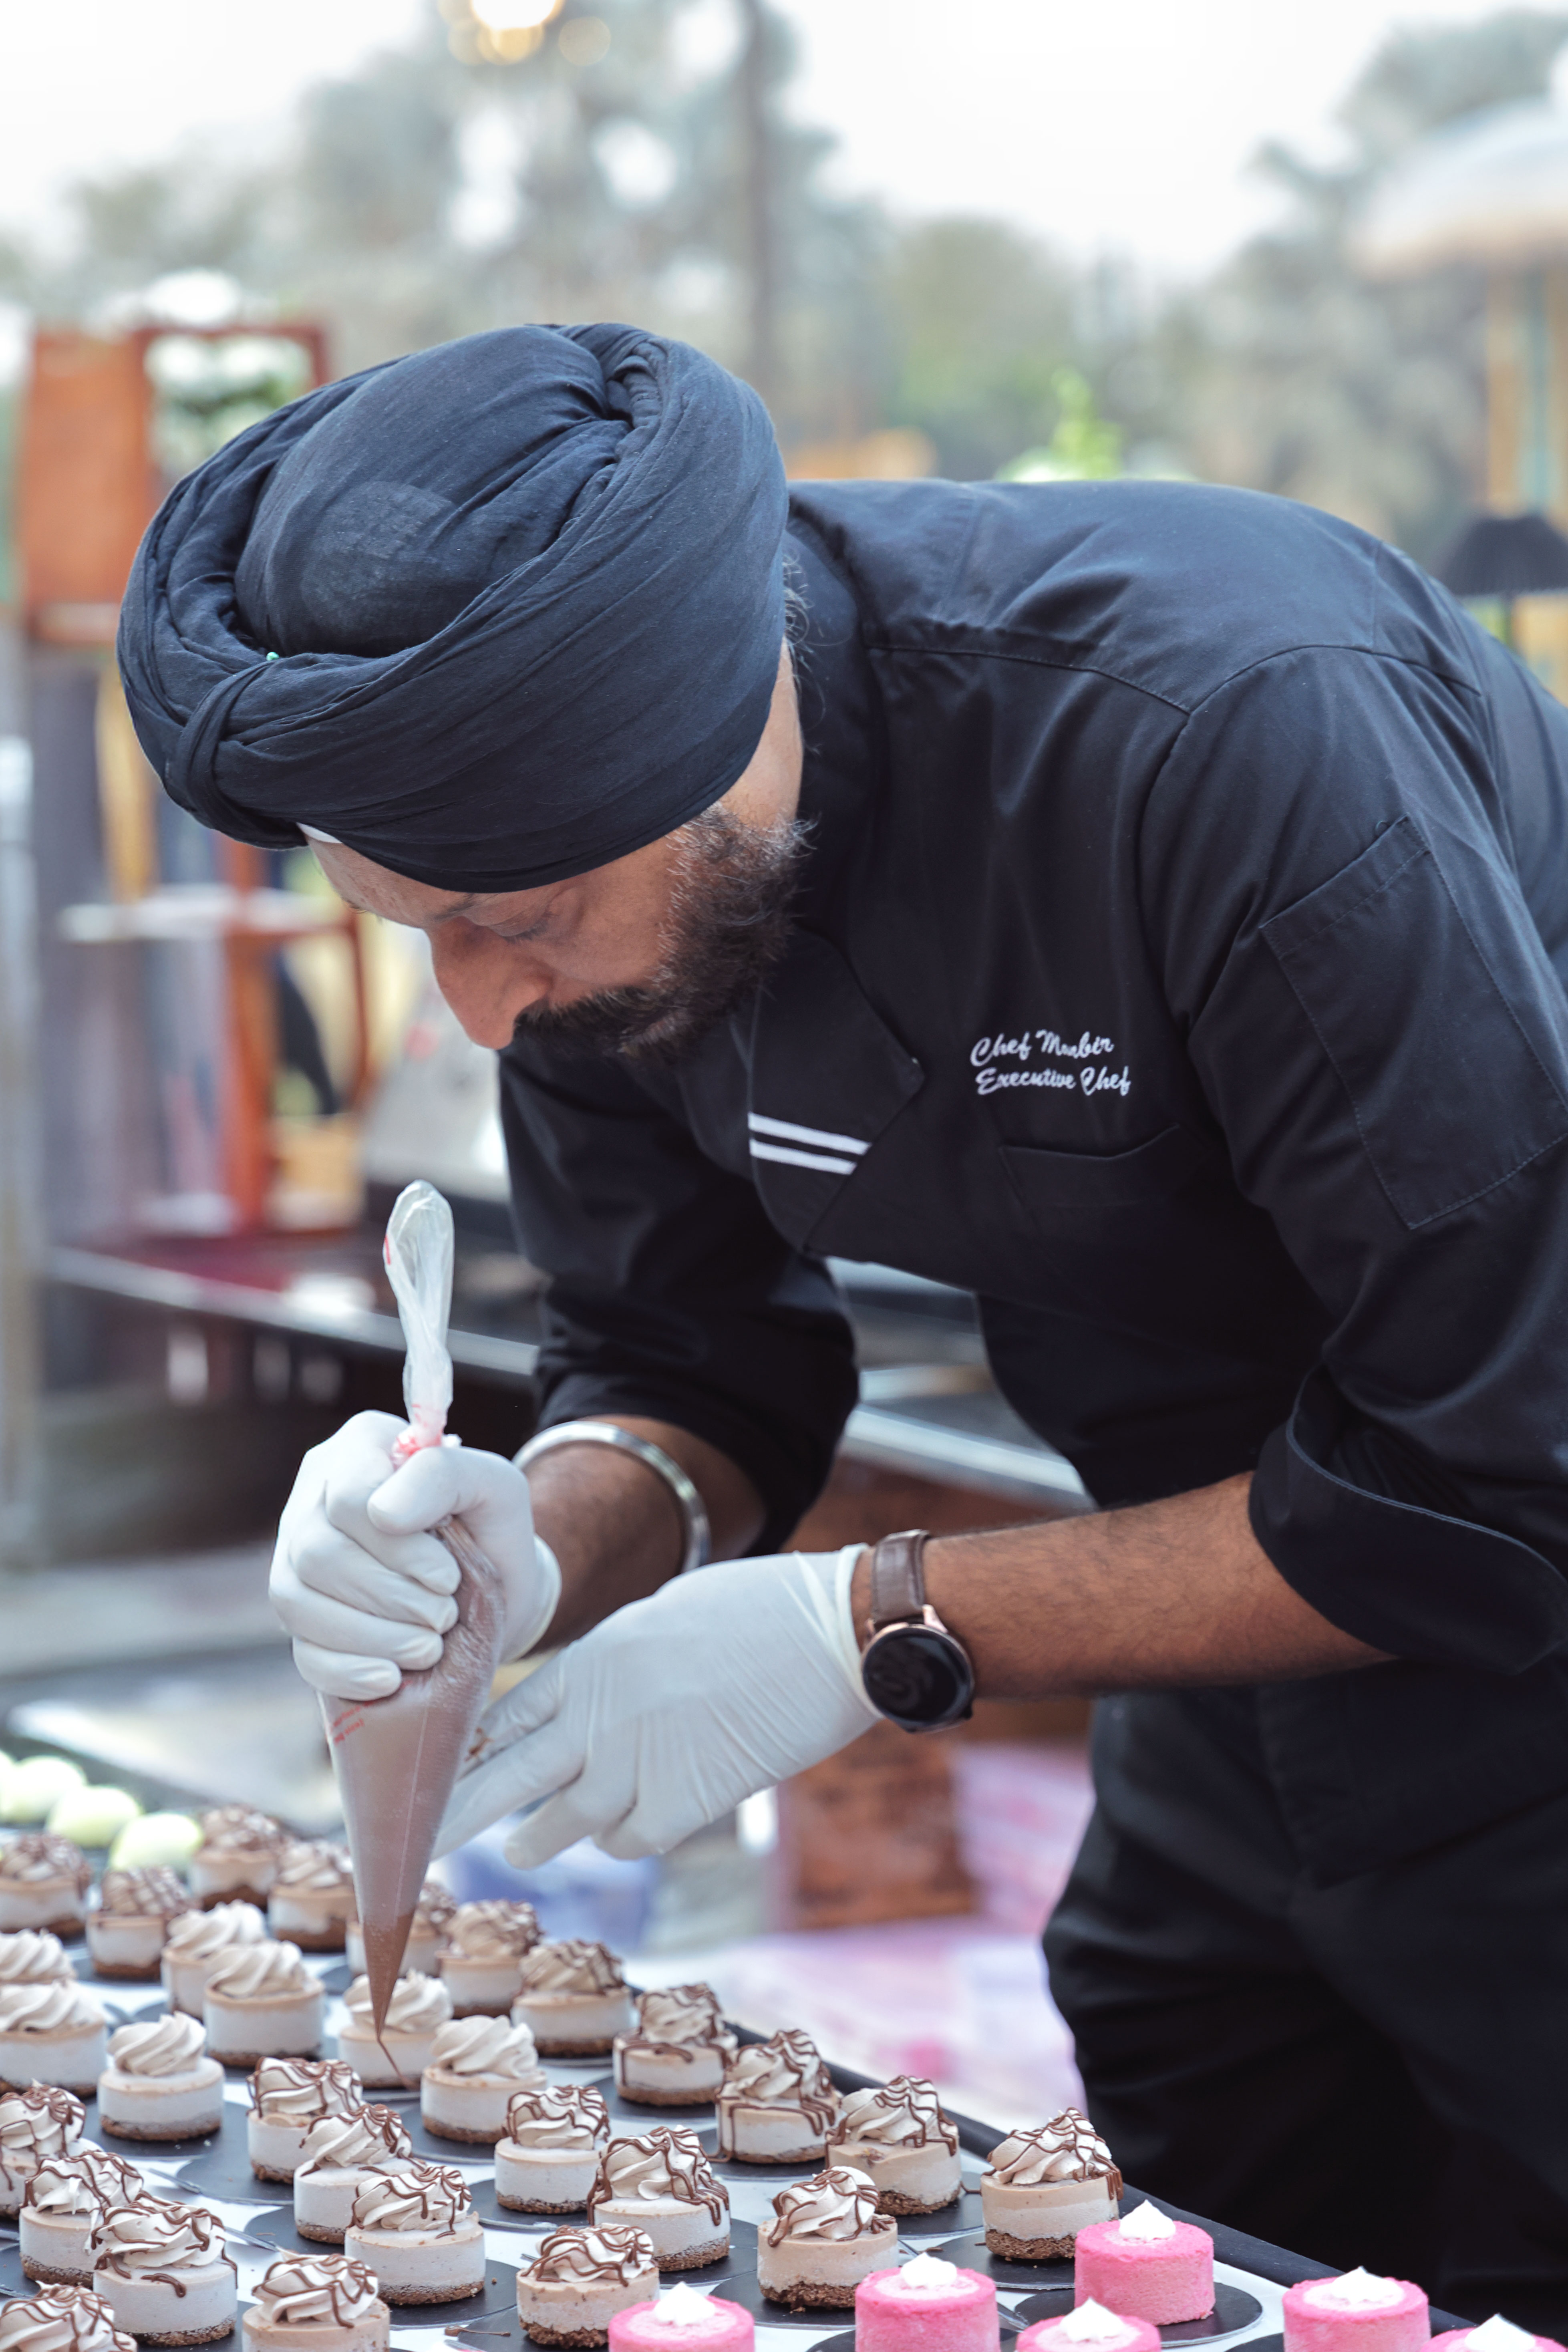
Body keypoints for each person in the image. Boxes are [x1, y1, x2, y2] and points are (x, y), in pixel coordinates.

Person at [120, 324, 1568, 2329]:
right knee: (1194, 2181)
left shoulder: (1226, 732)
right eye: (412, 926)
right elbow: (693, 1363)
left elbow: (1489, 1470)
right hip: (1209, 1617)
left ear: (707, 738)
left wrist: (872, 1613)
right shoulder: (573, 875)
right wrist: (532, 1542)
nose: (479, 1010)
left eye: (512, 920)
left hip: (1528, 1600)